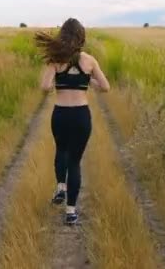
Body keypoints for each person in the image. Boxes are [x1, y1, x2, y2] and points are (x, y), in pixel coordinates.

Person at [36, 18, 110, 225]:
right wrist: (89, 80)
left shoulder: (55, 59)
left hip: (60, 114)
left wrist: (56, 83)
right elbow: (106, 87)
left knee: (61, 150)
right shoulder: (89, 61)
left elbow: (44, 86)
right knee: (75, 162)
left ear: (63, 36)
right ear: (81, 37)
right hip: (81, 116)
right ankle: (70, 212)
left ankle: (61, 186)